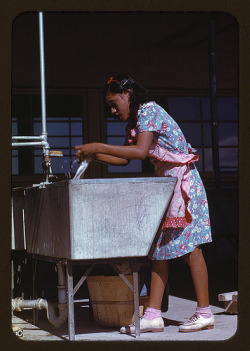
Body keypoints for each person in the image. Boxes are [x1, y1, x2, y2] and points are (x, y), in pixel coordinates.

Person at [74, 73, 214, 334]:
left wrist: (97, 144)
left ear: (128, 95)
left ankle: (204, 312)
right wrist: (96, 155)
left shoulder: (149, 110)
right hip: (166, 187)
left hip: (184, 186)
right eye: (110, 107)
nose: (113, 110)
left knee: (191, 249)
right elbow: (125, 160)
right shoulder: (136, 123)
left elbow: (139, 152)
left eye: (115, 103)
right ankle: (152, 315)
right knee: (159, 251)